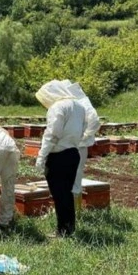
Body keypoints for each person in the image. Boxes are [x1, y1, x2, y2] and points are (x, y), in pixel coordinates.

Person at [35, 80, 87, 238]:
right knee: (67, 193)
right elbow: (84, 127)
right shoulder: (79, 106)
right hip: (73, 153)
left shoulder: (57, 107)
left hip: (58, 155)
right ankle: (69, 228)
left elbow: (52, 134)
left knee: (59, 194)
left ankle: (63, 231)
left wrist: (41, 156)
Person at [64, 81, 100, 212]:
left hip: (78, 147)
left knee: (75, 178)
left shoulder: (83, 103)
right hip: (69, 145)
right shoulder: (75, 103)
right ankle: (70, 210)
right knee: (68, 178)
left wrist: (84, 136)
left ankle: (75, 211)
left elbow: (95, 121)